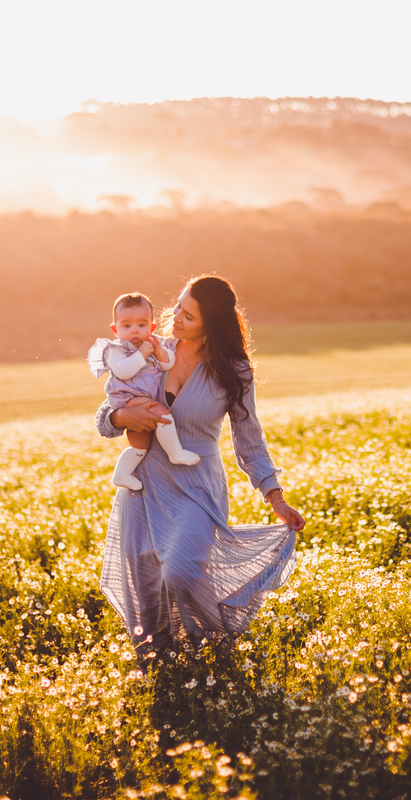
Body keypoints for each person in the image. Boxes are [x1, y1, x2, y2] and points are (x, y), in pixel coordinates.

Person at [94, 275, 306, 667]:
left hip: (196, 485)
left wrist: (274, 496)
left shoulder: (234, 370)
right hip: (143, 484)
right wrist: (124, 415)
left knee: (182, 571)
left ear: (211, 324)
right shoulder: (154, 351)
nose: (175, 318)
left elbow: (248, 437)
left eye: (188, 316)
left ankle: (212, 653)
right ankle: (161, 670)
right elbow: (107, 413)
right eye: (177, 307)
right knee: (146, 586)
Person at [88, 292, 201, 491]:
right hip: (127, 398)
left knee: (140, 446)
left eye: (141, 325)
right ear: (115, 329)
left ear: (152, 327)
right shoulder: (117, 350)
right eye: (127, 326)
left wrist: (159, 352)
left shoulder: (154, 345)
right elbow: (123, 371)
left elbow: (168, 364)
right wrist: (142, 354)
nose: (134, 332)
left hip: (142, 398)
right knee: (161, 414)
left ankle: (122, 474)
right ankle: (175, 452)